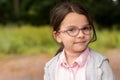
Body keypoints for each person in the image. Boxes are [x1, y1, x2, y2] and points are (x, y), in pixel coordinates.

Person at [44, 1, 115, 80]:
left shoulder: (100, 64)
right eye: (71, 30)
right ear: (58, 36)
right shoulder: (51, 67)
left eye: (85, 28)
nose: (81, 35)